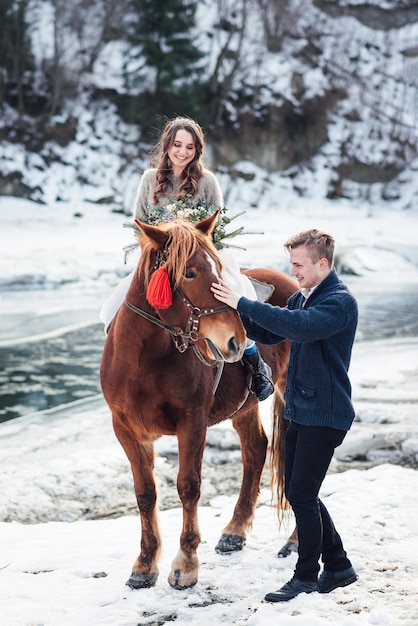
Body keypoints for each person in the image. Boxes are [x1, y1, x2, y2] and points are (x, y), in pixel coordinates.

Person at [211, 228, 358, 602]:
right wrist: (233, 312)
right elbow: (271, 330)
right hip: (301, 409)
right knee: (301, 492)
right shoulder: (301, 298)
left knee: (302, 495)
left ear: (323, 264)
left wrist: (243, 303)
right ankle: (339, 565)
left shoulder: (338, 302)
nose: (293, 271)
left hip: (325, 413)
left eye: (299, 265)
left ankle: (307, 575)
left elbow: (300, 329)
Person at [100, 116, 273, 402]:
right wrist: (162, 249)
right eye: (177, 145)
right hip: (162, 259)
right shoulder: (148, 179)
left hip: (203, 255)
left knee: (237, 291)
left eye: (189, 147)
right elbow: (140, 226)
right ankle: (121, 363)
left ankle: (255, 362)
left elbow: (218, 224)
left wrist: (192, 241)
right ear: (167, 146)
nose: (182, 152)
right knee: (113, 306)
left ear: (197, 150)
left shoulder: (207, 181)